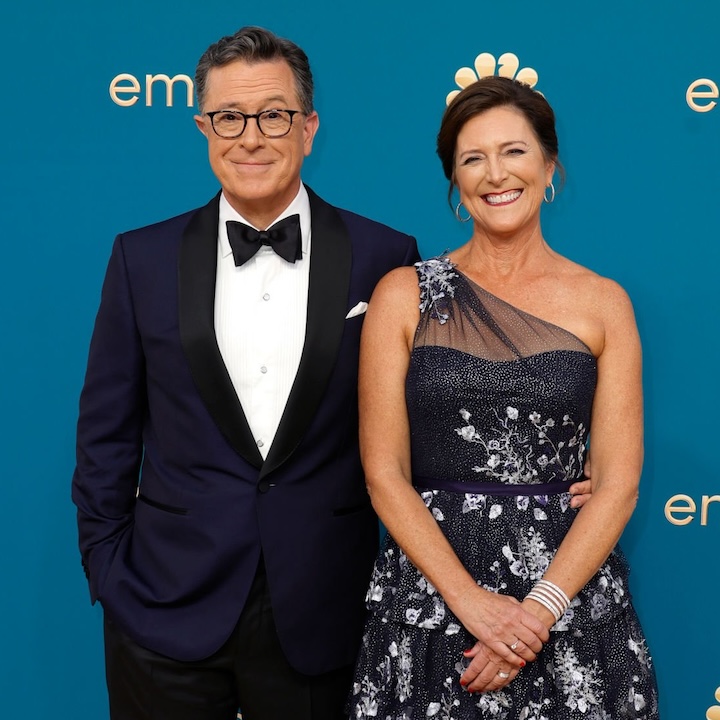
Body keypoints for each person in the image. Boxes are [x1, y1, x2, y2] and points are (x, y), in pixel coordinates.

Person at [71, 26, 423, 720]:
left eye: (274, 114)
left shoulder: (386, 255)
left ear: (310, 126)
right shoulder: (140, 258)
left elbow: (422, 415)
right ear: (204, 125)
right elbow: (105, 434)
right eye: (229, 117)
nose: (251, 137)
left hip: (324, 606)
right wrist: (108, 571)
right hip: (163, 605)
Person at [349, 76, 659, 718]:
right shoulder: (403, 295)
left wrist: (536, 613)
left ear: (550, 168)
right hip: (433, 604)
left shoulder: (605, 303)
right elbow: (384, 475)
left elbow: (619, 484)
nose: (496, 174)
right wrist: (474, 606)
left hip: (569, 604)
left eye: (514, 151)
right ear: (455, 185)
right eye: (472, 158)